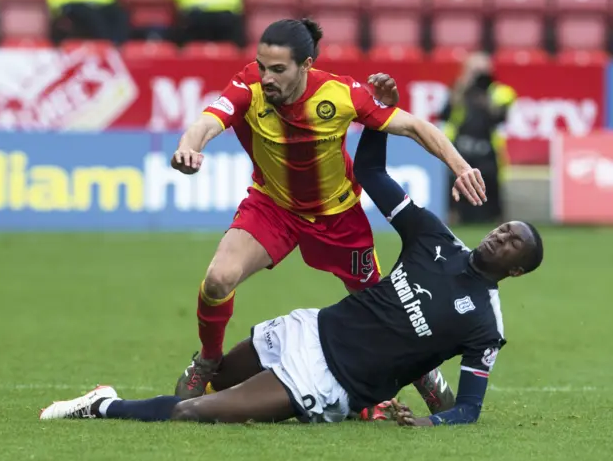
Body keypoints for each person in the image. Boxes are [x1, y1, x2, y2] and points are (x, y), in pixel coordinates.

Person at [39, 126, 543, 426]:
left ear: (515, 270)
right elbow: (371, 176)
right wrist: (379, 120)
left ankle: (101, 406)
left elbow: (469, 410)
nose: (501, 235)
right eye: (504, 229)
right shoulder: (435, 238)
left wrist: (430, 423)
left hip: (325, 379)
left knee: (192, 415)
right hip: (309, 329)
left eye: (513, 241)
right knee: (200, 388)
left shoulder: (485, 323)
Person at [170, 18, 485, 416]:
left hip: (338, 219)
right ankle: (208, 360)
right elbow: (206, 122)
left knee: (380, 308)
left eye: (278, 69)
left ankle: (425, 375)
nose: (266, 77)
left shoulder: (340, 93)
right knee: (218, 279)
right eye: (262, 66)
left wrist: (460, 166)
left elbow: (413, 125)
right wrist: (189, 148)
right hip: (273, 208)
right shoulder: (248, 86)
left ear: (306, 66)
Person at [439, 52, 517, 224]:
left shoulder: (501, 92)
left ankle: (500, 225)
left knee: (493, 191)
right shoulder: (458, 89)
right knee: (455, 188)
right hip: (461, 147)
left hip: (487, 148)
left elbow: (499, 117)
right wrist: (463, 87)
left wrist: (485, 93)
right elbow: (445, 115)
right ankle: (452, 221)